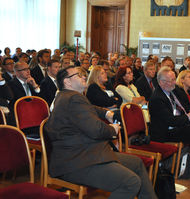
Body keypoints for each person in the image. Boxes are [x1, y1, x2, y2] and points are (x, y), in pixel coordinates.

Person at [45, 65, 157, 199]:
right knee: (130, 182)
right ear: (67, 81)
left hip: (86, 153)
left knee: (136, 163)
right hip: (77, 162)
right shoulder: (74, 99)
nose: (84, 77)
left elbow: (88, 108)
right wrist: (113, 130)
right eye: (78, 75)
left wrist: (106, 113)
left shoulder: (66, 96)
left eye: (83, 75)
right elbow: (97, 130)